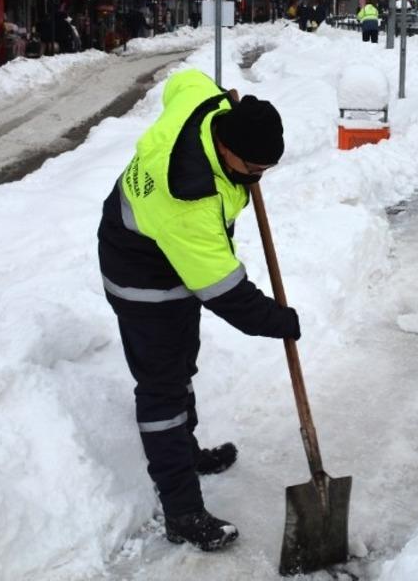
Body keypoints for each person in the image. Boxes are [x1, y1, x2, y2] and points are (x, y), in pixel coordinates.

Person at [97, 69, 301, 552]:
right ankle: (182, 510)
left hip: (166, 255)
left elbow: (183, 80)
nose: (256, 179)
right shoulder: (189, 197)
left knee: (180, 360)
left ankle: (185, 453)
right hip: (142, 275)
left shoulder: (206, 104)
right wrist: (281, 320)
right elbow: (229, 296)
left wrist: (222, 96)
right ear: (226, 150)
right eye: (253, 168)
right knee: (162, 391)